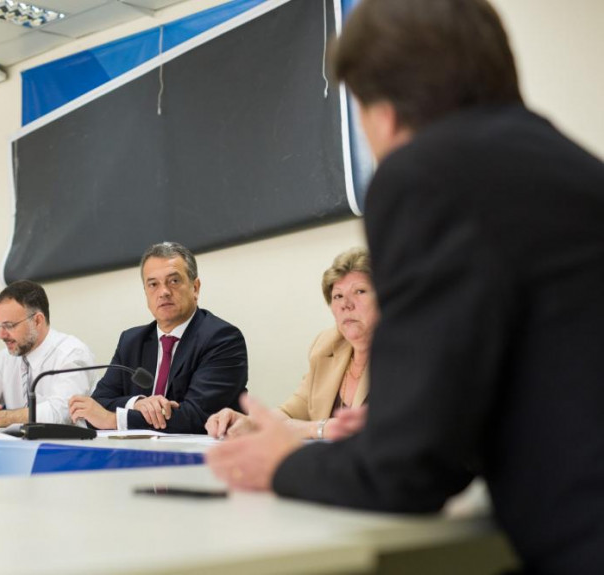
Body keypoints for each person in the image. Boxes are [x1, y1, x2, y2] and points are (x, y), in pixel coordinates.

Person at [206, 1, 604, 573]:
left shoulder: (424, 174)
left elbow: (407, 475)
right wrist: (417, 416)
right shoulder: (576, 171)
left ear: (383, 112)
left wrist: (283, 463)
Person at [69, 242, 248, 434]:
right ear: (145, 292)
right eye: (153, 284)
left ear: (195, 288)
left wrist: (115, 419)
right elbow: (99, 402)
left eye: (174, 281)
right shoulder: (131, 341)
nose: (163, 292)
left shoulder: (222, 338)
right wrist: (137, 403)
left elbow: (196, 415)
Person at [206, 248, 375, 441]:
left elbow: (381, 428)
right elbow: (292, 411)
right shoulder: (326, 347)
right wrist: (248, 423)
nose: (346, 304)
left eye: (359, 291)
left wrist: (314, 429)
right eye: (338, 296)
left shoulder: (406, 351)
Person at [0, 280, 95, 428]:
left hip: (64, 452)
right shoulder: (5, 358)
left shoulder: (72, 353)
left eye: (9, 326)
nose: (1, 335)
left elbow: (60, 414)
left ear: (37, 321)